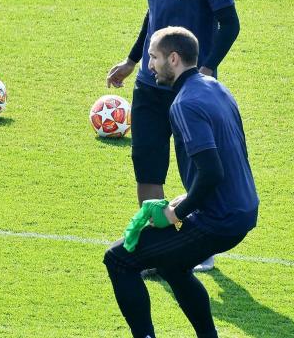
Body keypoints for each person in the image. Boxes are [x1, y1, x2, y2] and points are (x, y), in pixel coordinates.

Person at [106, 0, 240, 271]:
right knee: (147, 165)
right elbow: (154, 15)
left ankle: (202, 243)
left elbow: (229, 22)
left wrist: (208, 67)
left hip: (186, 89)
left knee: (193, 169)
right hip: (150, 85)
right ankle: (158, 246)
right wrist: (133, 60)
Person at [104, 26, 258, 338]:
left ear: (173, 59)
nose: (149, 65)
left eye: (153, 57)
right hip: (242, 209)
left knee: (118, 260)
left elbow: (213, 172)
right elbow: (230, 158)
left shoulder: (184, 104)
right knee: (171, 265)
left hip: (219, 219)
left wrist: (177, 212)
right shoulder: (216, 88)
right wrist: (182, 200)